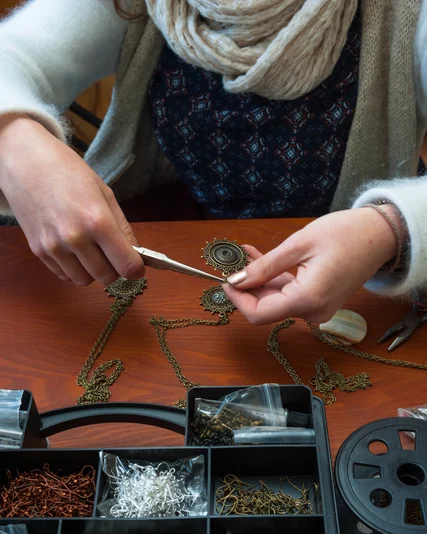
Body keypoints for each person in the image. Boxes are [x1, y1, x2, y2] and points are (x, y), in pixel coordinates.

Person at [0, 0, 426, 327]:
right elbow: (13, 57)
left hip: (365, 283)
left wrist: (391, 228)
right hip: (173, 230)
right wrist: (15, 141)